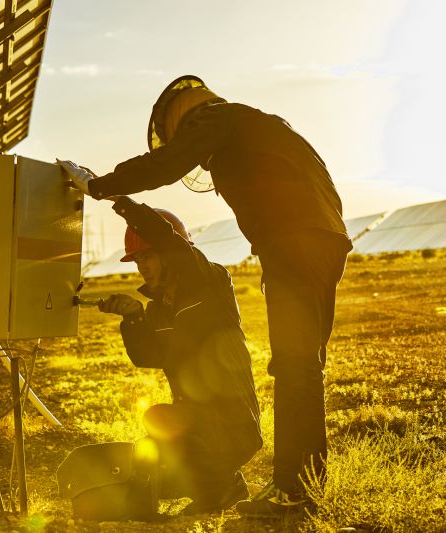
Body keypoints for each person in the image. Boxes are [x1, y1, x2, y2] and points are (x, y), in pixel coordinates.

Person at [66, 75, 351, 517]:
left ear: (182, 117)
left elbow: (168, 165)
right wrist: (133, 316)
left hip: (293, 243)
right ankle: (300, 488)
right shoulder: (265, 127)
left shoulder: (220, 118)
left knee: (297, 369)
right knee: (303, 369)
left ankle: (293, 492)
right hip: (327, 243)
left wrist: (101, 187)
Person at [96, 196, 262, 515]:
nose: (143, 266)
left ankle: (221, 489)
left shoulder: (210, 282)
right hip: (197, 421)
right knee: (157, 466)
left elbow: (173, 245)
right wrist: (133, 317)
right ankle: (221, 484)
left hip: (232, 421)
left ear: (171, 254)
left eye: (150, 256)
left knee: (160, 418)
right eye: (137, 260)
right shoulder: (157, 310)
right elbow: (147, 357)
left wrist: (120, 201)